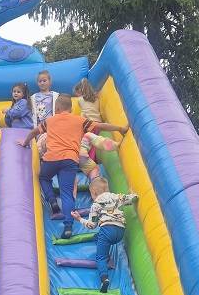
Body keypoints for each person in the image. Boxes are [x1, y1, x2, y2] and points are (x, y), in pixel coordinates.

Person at [18, 94, 127, 238]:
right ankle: (68, 227)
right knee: (67, 193)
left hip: (52, 158)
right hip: (70, 160)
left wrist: (25, 143)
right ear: (70, 108)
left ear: (57, 108)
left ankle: (52, 200)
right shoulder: (79, 120)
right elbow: (101, 126)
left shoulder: (50, 120)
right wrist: (120, 129)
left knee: (43, 177)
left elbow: (33, 132)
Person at [71, 177, 137, 292]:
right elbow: (130, 199)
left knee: (100, 257)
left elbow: (92, 225)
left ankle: (104, 279)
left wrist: (80, 219)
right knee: (97, 237)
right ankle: (106, 255)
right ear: (107, 189)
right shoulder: (115, 197)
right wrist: (133, 194)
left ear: (94, 193)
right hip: (120, 232)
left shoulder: (96, 205)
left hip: (107, 231)